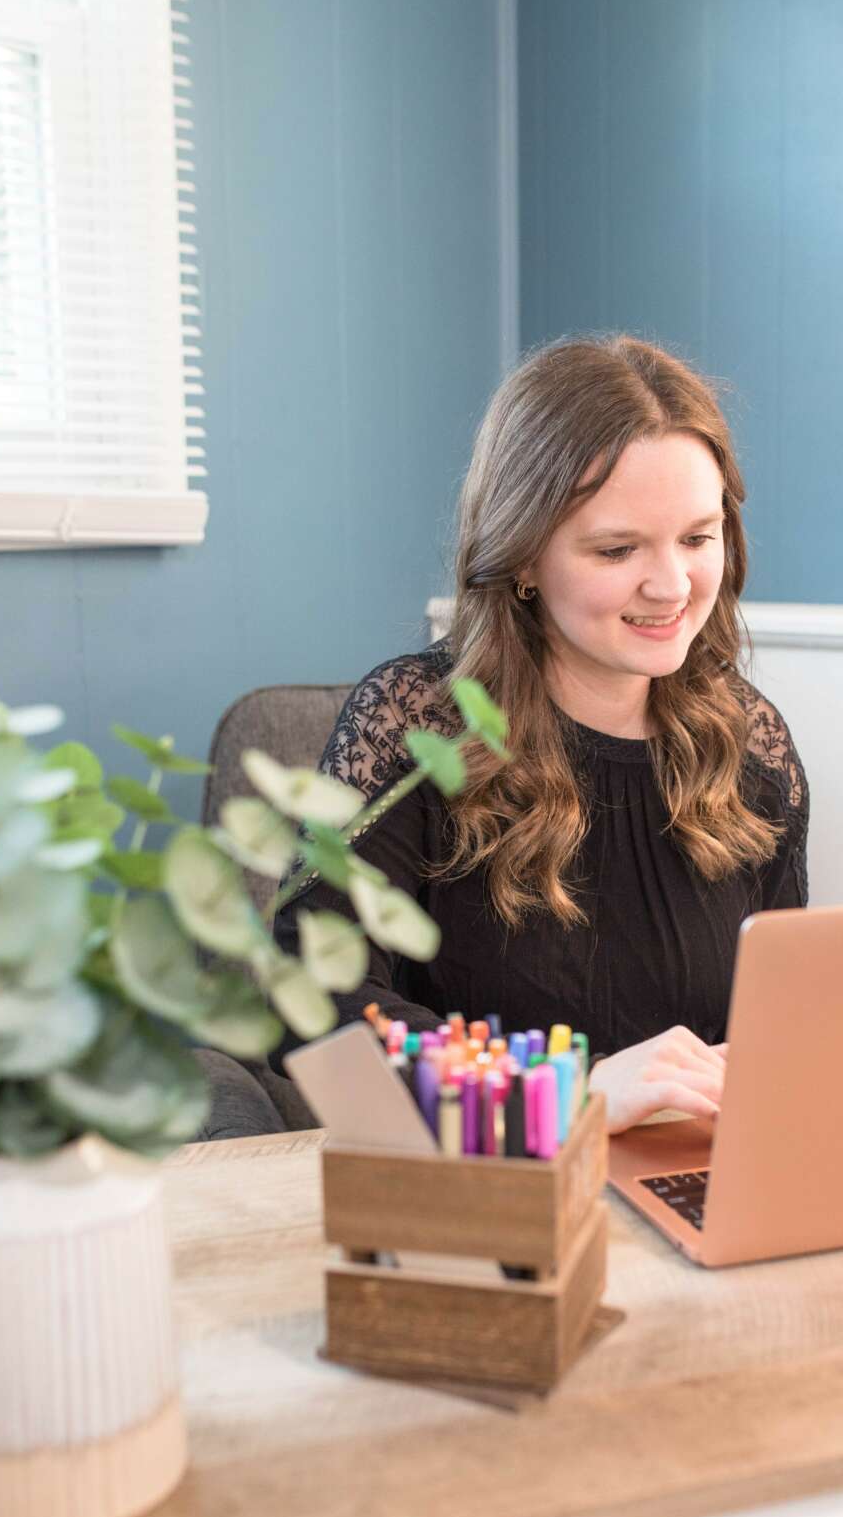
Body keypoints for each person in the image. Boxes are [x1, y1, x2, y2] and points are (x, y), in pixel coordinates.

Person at [271, 334, 809, 1134]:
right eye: (618, 549)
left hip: (693, 1169)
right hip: (495, 1176)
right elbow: (317, 1007)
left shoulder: (750, 743)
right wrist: (567, 1093)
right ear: (523, 556)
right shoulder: (415, 727)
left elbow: (786, 1009)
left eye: (698, 538)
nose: (672, 585)